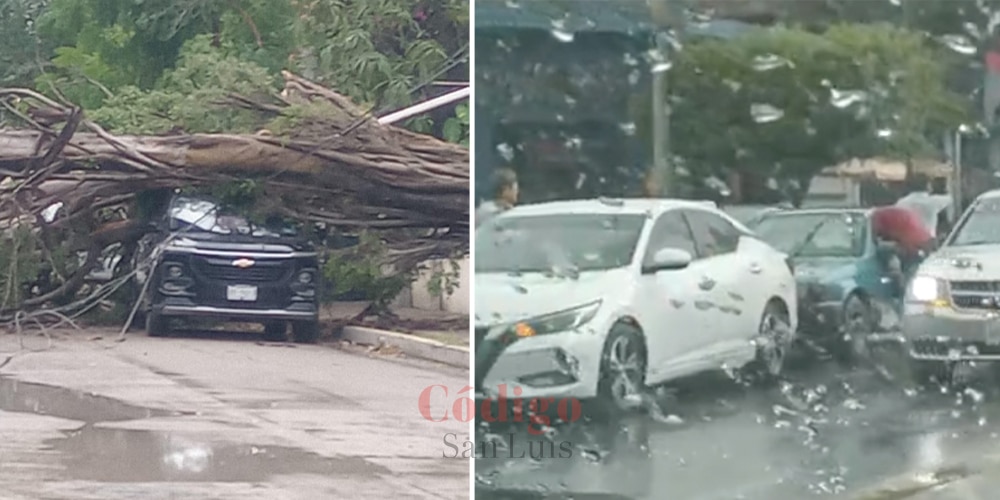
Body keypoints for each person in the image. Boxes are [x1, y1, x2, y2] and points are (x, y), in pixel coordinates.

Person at [871, 205, 936, 290]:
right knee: (915, 265)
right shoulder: (900, 212)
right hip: (922, 238)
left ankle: (902, 284)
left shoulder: (876, 216)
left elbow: (873, 236)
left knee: (883, 251)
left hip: (908, 240)